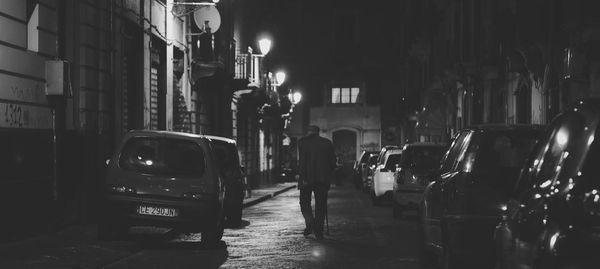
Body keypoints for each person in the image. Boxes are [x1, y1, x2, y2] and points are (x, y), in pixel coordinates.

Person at [298, 125, 337, 239]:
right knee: (321, 206)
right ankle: (318, 230)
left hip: (305, 179)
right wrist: (328, 173)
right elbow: (332, 162)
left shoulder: (302, 142)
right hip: (322, 179)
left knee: (304, 203)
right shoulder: (327, 143)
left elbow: (301, 161)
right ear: (318, 132)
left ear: (309, 132)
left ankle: (310, 223)